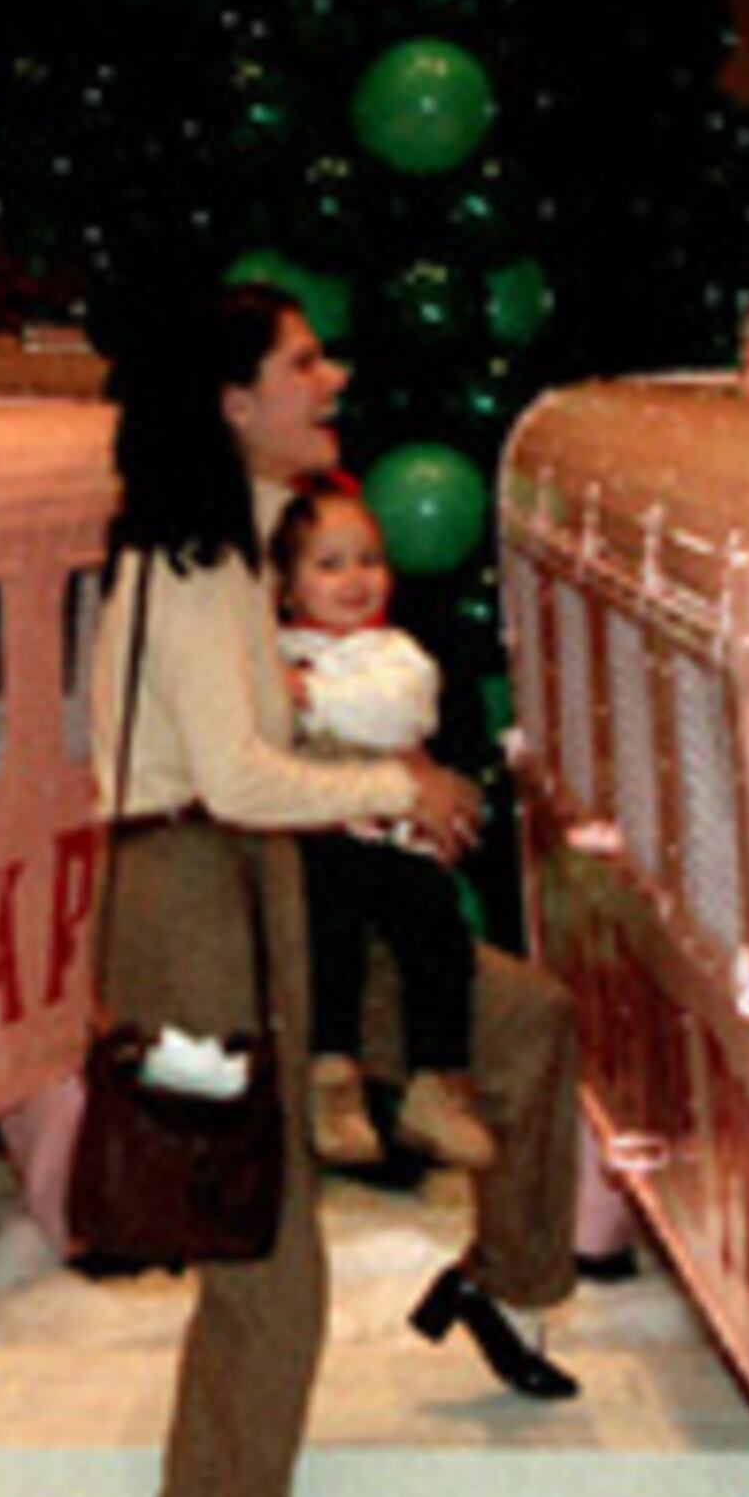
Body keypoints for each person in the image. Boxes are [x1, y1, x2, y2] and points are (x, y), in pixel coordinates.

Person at [93, 281, 586, 1497]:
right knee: (265, 1249)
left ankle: (504, 1281)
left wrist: (382, 775)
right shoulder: (189, 567)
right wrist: (399, 784)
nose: (333, 377)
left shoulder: (257, 555)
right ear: (231, 401)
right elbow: (240, 776)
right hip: (202, 907)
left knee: (525, 1021)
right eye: (303, 361)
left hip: (297, 891)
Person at [266, 476, 496, 1174]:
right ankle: (330, 1074)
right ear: (285, 584)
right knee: (329, 924)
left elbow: (398, 714)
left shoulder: (393, 654)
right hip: (316, 839)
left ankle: (439, 1079)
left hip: (386, 837)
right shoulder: (264, 649)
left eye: (368, 560)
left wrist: (310, 695)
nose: (354, 579)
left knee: (434, 926)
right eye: (329, 564)